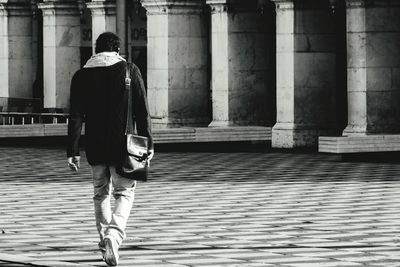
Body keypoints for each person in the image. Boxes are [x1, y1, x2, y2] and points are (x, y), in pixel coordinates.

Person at [67, 32, 153, 266]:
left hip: (95, 146)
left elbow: (75, 116)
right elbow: (142, 111)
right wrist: (148, 142)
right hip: (123, 146)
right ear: (117, 50)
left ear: (96, 49)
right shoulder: (129, 70)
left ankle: (105, 239)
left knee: (100, 193)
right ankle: (113, 236)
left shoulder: (81, 75)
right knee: (124, 193)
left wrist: (72, 150)